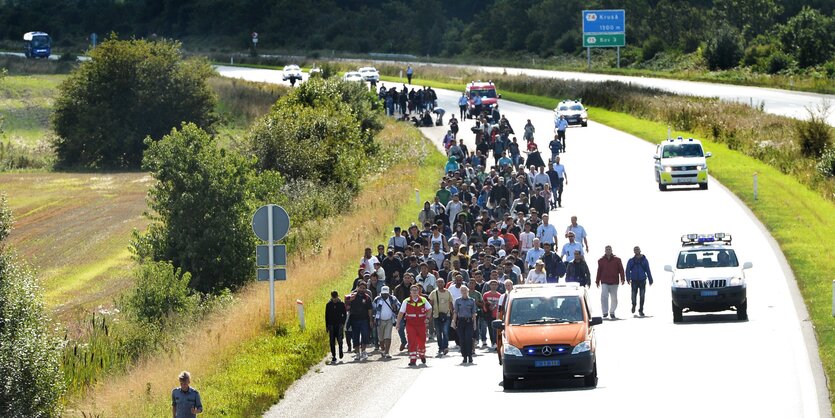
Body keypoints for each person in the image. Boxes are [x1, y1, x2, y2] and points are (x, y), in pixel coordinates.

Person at [396, 284, 433, 366]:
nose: (414, 292)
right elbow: (401, 313)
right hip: (411, 324)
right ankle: (413, 359)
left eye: (416, 290)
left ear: (418, 291)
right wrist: (398, 323)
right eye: (413, 290)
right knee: (412, 340)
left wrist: (427, 317)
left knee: (422, 340)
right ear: (410, 292)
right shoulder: (406, 301)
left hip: (421, 323)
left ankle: (422, 354)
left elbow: (429, 309)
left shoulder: (423, 300)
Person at [346, 281, 374, 360]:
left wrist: (371, 320)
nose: (362, 289)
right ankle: (357, 353)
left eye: (364, 288)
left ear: (366, 289)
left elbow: (370, 309)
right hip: (354, 320)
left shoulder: (367, 298)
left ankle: (363, 351)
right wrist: (349, 301)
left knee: (365, 335)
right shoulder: (352, 296)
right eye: (360, 288)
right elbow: (347, 306)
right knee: (355, 337)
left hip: (364, 320)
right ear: (357, 287)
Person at [596, 246, 625, 320]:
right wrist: (597, 281)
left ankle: (612, 312)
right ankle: (605, 312)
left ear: (612, 250)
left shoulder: (617, 260)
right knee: (604, 296)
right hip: (604, 281)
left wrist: (622, 278)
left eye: (609, 249)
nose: (608, 251)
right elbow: (599, 271)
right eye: (607, 249)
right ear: (605, 251)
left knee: (614, 298)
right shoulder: (601, 260)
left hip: (614, 281)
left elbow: (621, 270)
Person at [625, 246, 654, 317]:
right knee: (633, 295)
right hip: (634, 280)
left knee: (642, 296)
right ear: (634, 251)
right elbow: (627, 269)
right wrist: (628, 278)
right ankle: (634, 305)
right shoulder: (631, 260)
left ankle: (641, 310)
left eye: (637, 249)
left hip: (642, 280)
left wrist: (650, 279)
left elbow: (648, 270)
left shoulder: (644, 260)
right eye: (635, 250)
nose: (636, 250)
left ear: (640, 250)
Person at [452, 286, 478, 364]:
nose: (464, 291)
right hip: (461, 322)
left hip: (469, 322)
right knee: (462, 340)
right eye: (462, 290)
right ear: (460, 291)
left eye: (465, 290)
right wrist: (453, 321)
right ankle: (464, 356)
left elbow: (473, 313)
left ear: (468, 291)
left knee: (468, 339)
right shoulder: (458, 301)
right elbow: (456, 312)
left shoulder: (471, 301)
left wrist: (474, 324)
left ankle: (470, 355)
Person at [373, 286, 400, 359]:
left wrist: (395, 306)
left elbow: (399, 306)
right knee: (381, 338)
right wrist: (374, 318)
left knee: (388, 336)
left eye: (386, 294)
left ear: (389, 293)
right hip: (380, 320)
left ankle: (387, 352)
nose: (384, 295)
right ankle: (383, 349)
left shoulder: (393, 299)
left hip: (389, 320)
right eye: (383, 294)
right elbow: (373, 309)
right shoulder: (377, 299)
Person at [428, 278, 454, 356]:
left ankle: (445, 347)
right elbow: (430, 305)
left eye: (441, 282)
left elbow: (450, 304)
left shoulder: (448, 292)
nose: (440, 284)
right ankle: (440, 348)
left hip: (447, 315)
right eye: (439, 282)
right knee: (439, 333)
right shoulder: (433, 293)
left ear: (444, 283)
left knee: (445, 332)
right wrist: (430, 315)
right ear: (436, 283)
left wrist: (452, 314)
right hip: (437, 316)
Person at [325, 290, 347, 363]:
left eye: (335, 297)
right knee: (332, 341)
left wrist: (343, 322)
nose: (334, 299)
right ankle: (333, 355)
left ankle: (340, 350)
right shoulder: (328, 305)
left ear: (338, 296)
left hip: (339, 324)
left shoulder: (341, 304)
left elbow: (345, 314)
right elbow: (326, 316)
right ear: (331, 297)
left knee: (340, 339)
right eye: (333, 298)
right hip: (331, 325)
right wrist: (327, 326)